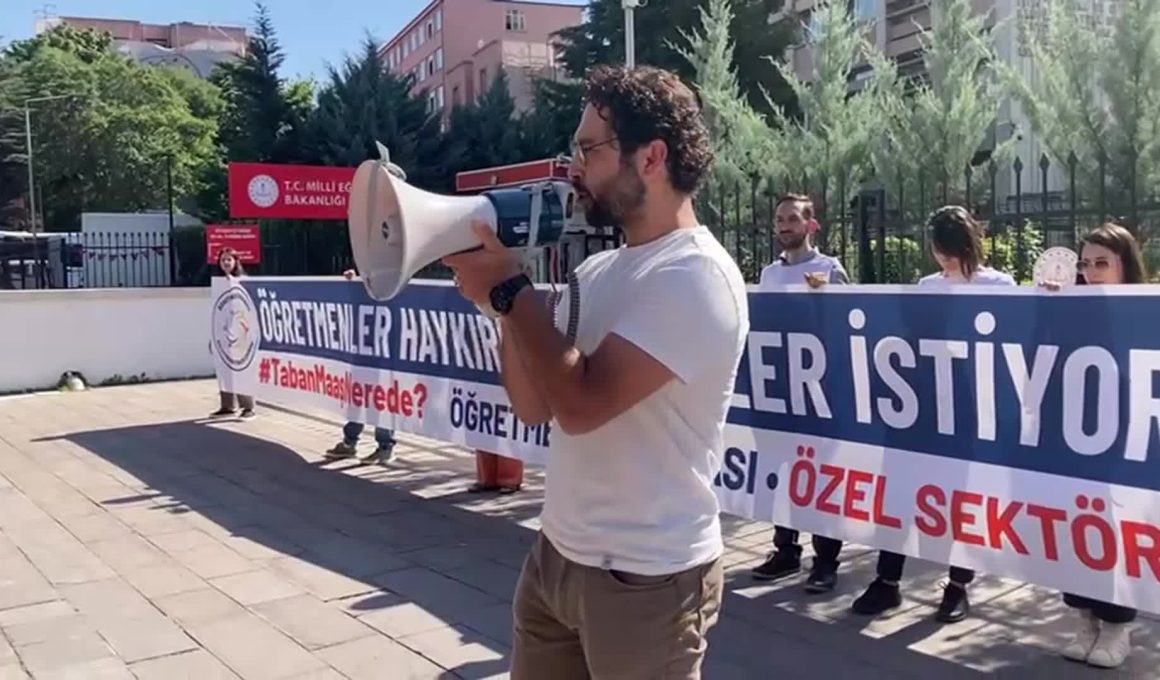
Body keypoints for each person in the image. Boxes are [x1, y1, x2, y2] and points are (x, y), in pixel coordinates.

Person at [442, 65, 748, 679]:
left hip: (647, 580)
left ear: (651, 156)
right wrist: (502, 306)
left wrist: (512, 290)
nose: (574, 168)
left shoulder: (696, 275)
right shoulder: (599, 271)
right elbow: (535, 405)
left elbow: (582, 407)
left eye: (589, 149)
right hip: (557, 556)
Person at [852, 205, 1014, 623]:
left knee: (960, 496)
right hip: (921, 402)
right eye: (938, 248)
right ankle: (887, 579)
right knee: (899, 488)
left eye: (950, 247)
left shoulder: (998, 285)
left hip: (968, 404)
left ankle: (958, 585)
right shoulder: (926, 286)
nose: (943, 257)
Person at [1041, 222, 1144, 669]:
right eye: (1085, 264)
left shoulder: (1145, 308)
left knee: (1115, 529)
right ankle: (1084, 619)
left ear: (1125, 266)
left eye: (1102, 263)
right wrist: (1048, 308)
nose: (1090, 272)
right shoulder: (1070, 307)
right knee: (1076, 527)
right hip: (1073, 436)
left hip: (1125, 440)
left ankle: (1118, 626)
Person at [751, 192, 847, 593]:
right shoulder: (769, 275)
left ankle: (825, 560)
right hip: (779, 390)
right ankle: (786, 550)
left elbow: (844, 326)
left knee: (821, 475)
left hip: (819, 392)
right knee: (782, 471)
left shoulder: (829, 269)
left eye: (792, 219)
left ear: (811, 225)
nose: (784, 226)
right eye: (779, 220)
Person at [326, 268, 396, 465]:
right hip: (364, 349)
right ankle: (350, 442)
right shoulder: (370, 275)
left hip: (384, 352)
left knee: (381, 399)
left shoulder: (394, 280)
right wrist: (353, 282)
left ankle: (384, 445)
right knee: (358, 396)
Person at [210, 248, 256, 420]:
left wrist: (234, 282)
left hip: (241, 333)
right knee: (224, 369)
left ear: (236, 261)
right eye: (223, 260)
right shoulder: (219, 282)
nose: (226, 263)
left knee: (241, 370)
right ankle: (228, 406)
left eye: (229, 259)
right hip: (224, 332)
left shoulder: (243, 280)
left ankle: (248, 407)